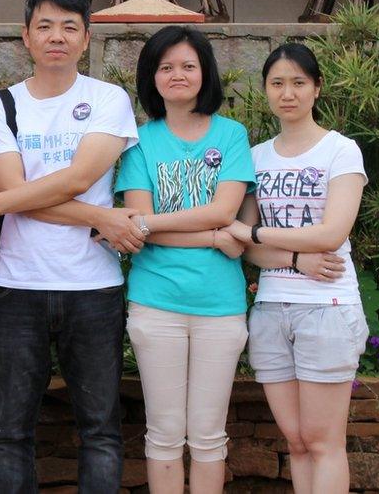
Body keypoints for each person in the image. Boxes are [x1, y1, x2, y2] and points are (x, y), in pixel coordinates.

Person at [0, 0, 141, 493]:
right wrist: (102, 216)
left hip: (93, 287)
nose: (57, 37)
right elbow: (15, 190)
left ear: (86, 38)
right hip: (17, 286)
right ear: (25, 37)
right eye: (45, 26)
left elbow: (69, 180)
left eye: (70, 27)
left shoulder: (107, 99)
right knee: (9, 432)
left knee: (100, 431)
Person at [113, 26, 255, 494]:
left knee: (210, 436)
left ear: (205, 73)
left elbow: (222, 211)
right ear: (151, 77)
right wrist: (215, 239)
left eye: (188, 65)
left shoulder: (232, 134)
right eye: (166, 66)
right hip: (157, 305)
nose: (178, 74)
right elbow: (142, 220)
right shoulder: (139, 141)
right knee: (165, 433)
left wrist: (156, 227)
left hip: (221, 306)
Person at [222, 43, 368, 494]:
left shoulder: (340, 151)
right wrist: (291, 256)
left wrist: (261, 234)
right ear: (265, 90)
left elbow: (331, 233)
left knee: (324, 442)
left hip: (326, 308)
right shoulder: (255, 156)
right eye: (277, 83)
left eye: (299, 83)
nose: (288, 93)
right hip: (270, 310)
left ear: (316, 88)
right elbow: (242, 246)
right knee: (298, 441)